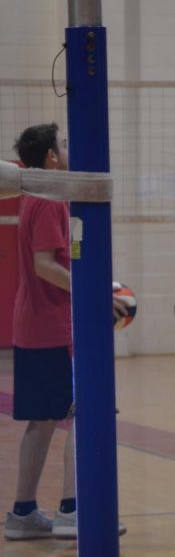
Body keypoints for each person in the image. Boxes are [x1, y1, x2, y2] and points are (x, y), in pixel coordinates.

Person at [5, 123, 127, 541]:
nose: (69, 149)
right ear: (52, 159)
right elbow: (44, 265)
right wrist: (93, 292)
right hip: (53, 329)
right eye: (63, 145)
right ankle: (75, 509)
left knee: (40, 422)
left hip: (32, 326)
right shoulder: (52, 200)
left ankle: (22, 513)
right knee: (84, 413)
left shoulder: (33, 196)